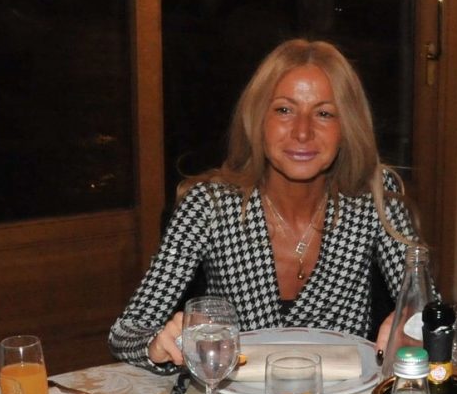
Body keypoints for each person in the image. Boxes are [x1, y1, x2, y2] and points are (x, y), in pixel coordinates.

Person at [109, 39, 421, 373]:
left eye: (324, 113)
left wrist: (412, 321)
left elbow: (428, 309)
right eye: (285, 110)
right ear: (258, 119)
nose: (302, 132)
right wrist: (157, 344)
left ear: (346, 128)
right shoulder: (209, 206)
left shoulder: (375, 197)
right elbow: (126, 332)